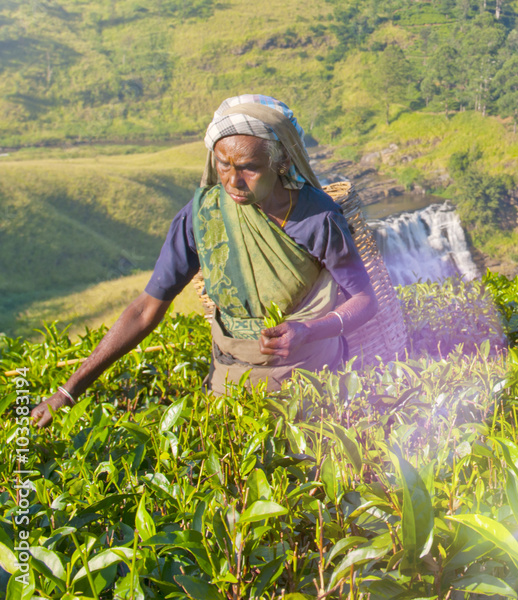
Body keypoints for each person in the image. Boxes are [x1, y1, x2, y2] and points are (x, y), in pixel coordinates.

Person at [32, 94, 376, 426]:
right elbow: (144, 310)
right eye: (223, 164)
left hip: (311, 384)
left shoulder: (318, 219)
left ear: (282, 162)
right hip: (229, 389)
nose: (232, 180)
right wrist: (68, 391)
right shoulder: (202, 218)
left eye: (249, 168)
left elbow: (364, 300)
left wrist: (309, 330)